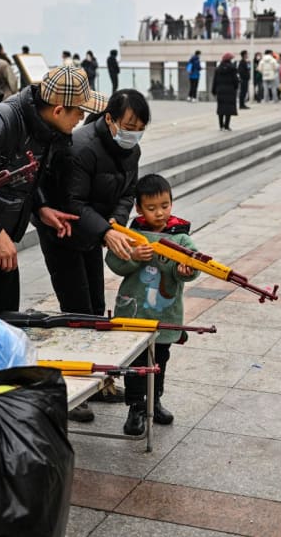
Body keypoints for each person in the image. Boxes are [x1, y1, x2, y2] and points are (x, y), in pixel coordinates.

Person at [0, 66, 107, 317]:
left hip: (1, 236)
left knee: (7, 323)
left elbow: (23, 174)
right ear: (59, 110)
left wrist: (40, 207)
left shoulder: (44, 126)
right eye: (80, 111)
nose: (82, 118)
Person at [35, 89, 149, 421]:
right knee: (76, 312)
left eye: (140, 126)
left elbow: (128, 192)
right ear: (109, 119)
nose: (134, 133)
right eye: (129, 125)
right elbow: (72, 203)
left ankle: (98, 383)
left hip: (94, 232)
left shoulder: (132, 150)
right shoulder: (80, 147)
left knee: (96, 309)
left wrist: (115, 222)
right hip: (64, 233)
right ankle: (71, 391)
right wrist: (105, 231)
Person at [105, 174, 198, 436]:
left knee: (160, 360)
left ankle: (154, 401)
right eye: (152, 207)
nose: (160, 213)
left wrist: (185, 270)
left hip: (165, 313)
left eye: (165, 206)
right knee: (136, 362)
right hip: (134, 312)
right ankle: (136, 407)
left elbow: (191, 270)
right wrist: (133, 256)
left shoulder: (181, 238)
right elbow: (115, 263)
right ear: (138, 208)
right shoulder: (131, 234)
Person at [211, 52, 239, 130]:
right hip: (230, 90)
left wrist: (213, 91)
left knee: (221, 108)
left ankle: (221, 126)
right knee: (228, 109)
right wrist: (236, 87)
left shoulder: (218, 69)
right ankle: (227, 126)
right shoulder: (233, 69)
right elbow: (235, 80)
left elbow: (215, 81)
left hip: (220, 90)